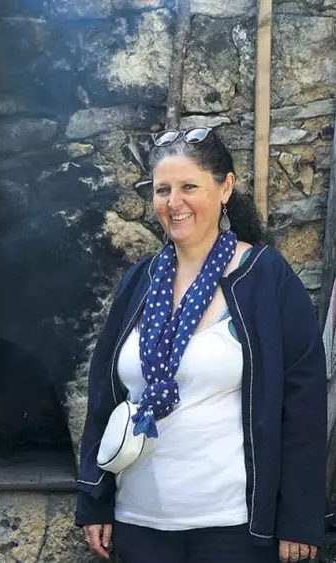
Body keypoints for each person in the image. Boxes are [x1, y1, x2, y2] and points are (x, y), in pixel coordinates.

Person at [75, 127, 326, 563]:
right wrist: (94, 499)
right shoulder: (140, 280)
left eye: (189, 186)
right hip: (139, 523)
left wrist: (299, 519)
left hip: (232, 528)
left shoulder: (265, 277)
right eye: (162, 190)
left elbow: (303, 404)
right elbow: (105, 396)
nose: (174, 203)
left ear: (225, 187)